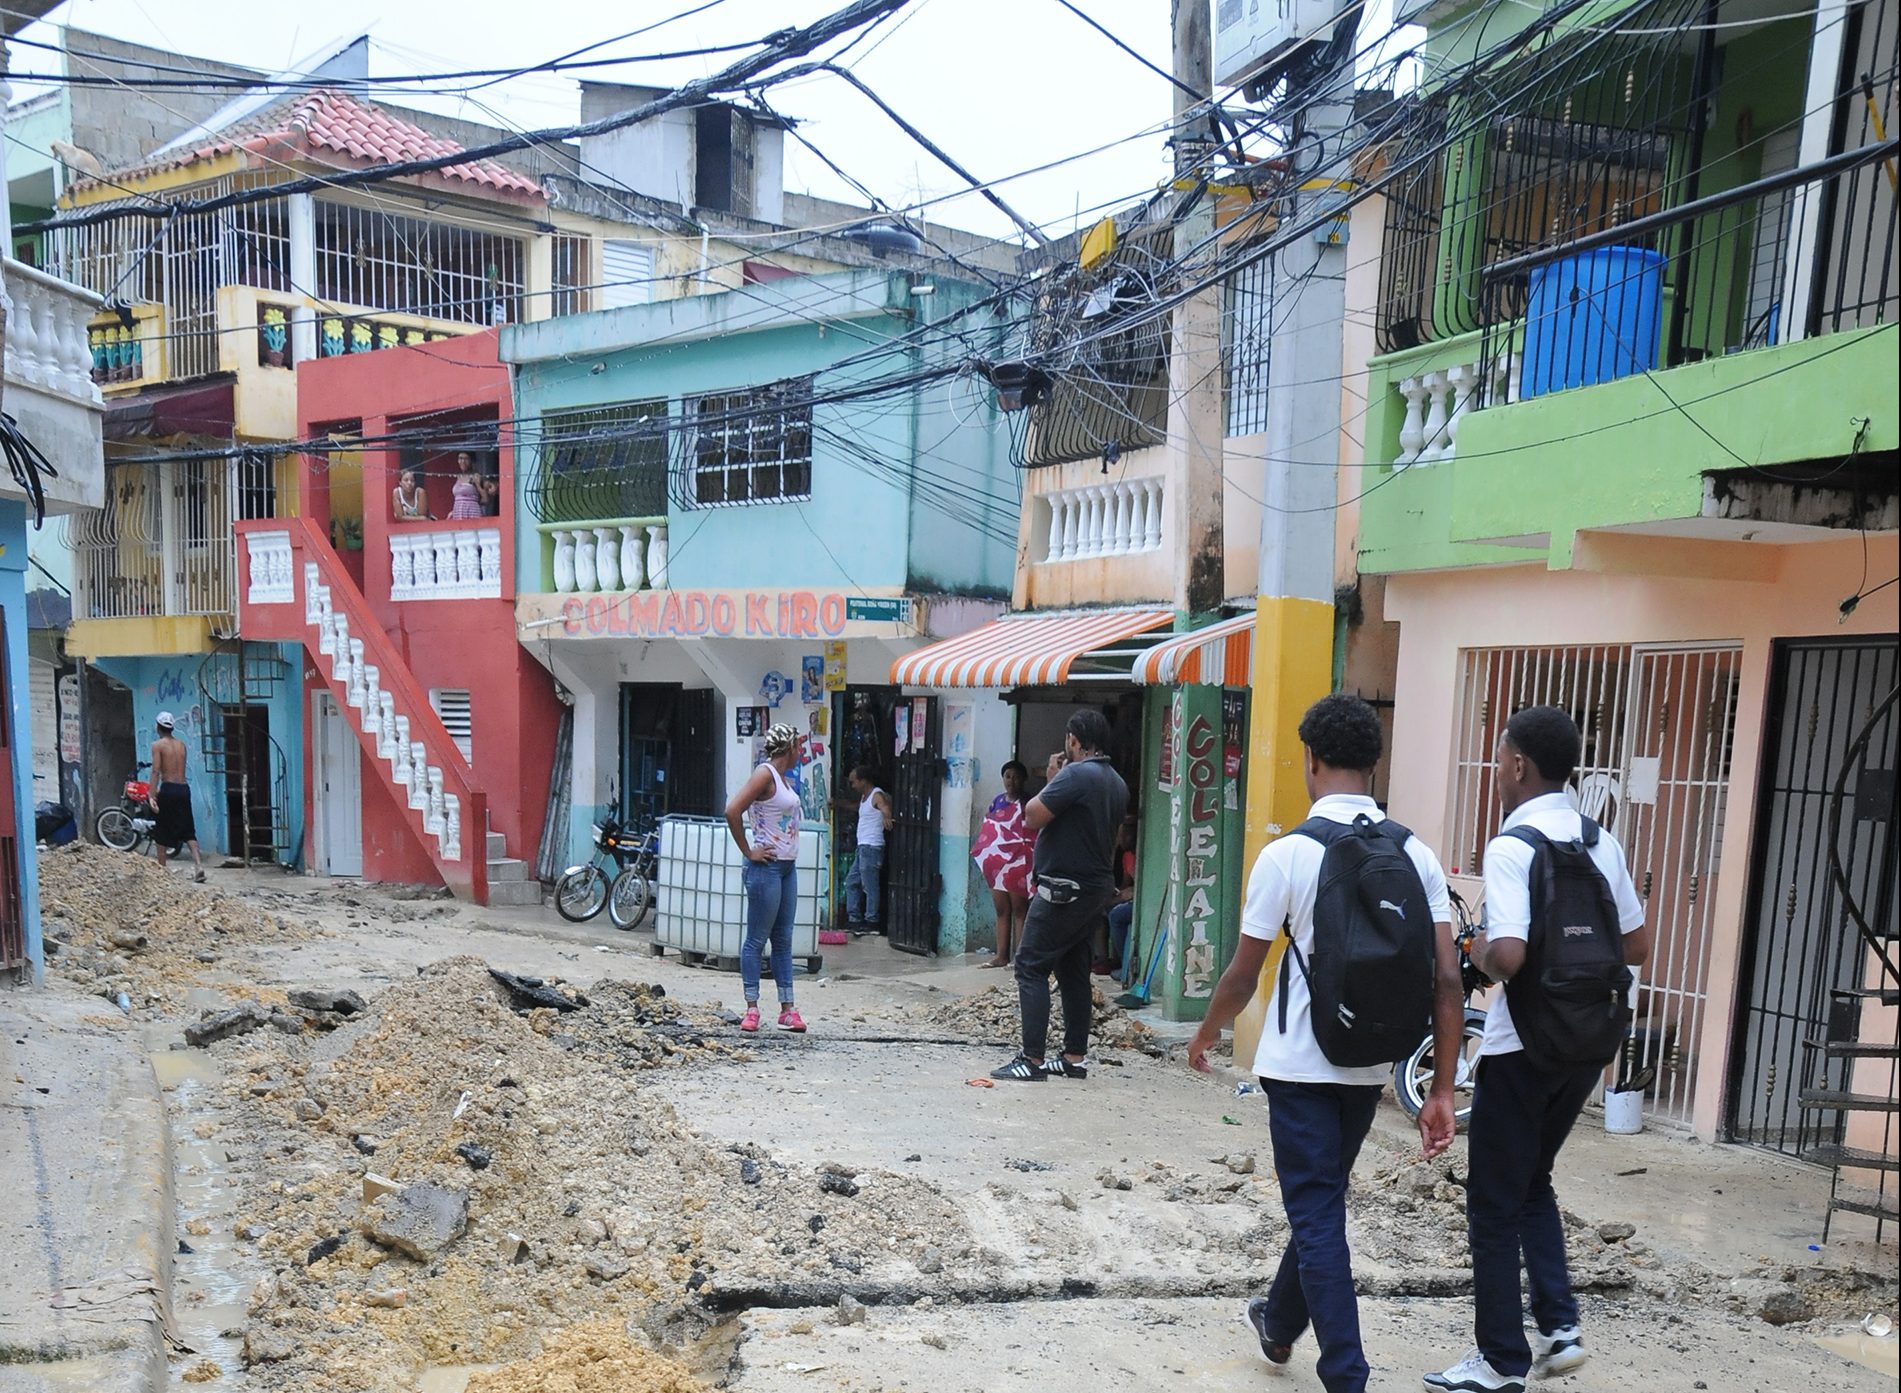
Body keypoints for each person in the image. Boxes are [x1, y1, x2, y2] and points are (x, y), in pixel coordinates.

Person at [1187, 693, 1463, 1393]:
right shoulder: (1416, 853)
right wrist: (1439, 1088)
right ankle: (1277, 1323)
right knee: (1320, 1203)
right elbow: (1448, 983)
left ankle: (1346, 1372)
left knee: (1315, 1213)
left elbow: (1242, 971)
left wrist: (1208, 1030)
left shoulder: (1287, 854)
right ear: (1375, 763)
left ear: (1310, 760)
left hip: (1297, 1062)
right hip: (1368, 1059)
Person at [1424, 706, 1648, 1393]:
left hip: (1523, 1044)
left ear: (1517, 763)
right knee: (1532, 1181)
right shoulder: (1597, 839)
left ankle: (1498, 1359)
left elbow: (1511, 954)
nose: (1495, 774)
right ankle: (1558, 1325)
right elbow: (1637, 945)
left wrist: (1481, 950)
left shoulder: (1513, 842)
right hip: (1588, 1042)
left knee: (1493, 1200)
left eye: (1498, 760)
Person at [991, 711, 1127, 1083]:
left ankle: (1031, 1059)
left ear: (1074, 740)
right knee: (1072, 971)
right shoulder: (1115, 781)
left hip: (1064, 889)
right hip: (1095, 890)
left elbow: (1032, 817)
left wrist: (1052, 779)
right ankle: (1073, 1056)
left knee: (1030, 964)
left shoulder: (1075, 775)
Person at [724, 723, 808, 1035]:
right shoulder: (765, 775)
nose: (800, 751)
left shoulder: (783, 780)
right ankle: (752, 1008)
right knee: (757, 939)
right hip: (766, 868)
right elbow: (733, 810)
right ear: (789, 748)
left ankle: (787, 1009)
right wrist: (749, 851)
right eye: (798, 746)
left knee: (783, 939)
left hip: (787, 867)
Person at [972, 760, 1034, 968]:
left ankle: (1020, 956)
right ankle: (1001, 955)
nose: (1011, 781)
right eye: (1008, 776)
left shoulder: (1029, 804)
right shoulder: (997, 802)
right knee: (1001, 908)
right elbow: (989, 832)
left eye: (1016, 776)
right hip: (997, 861)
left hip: (1018, 861)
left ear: (1023, 779)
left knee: (1019, 909)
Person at [148, 712, 206, 883]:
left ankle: (162, 871)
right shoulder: (181, 745)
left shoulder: (158, 745)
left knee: (162, 829)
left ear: (158, 727)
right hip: (183, 789)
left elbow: (156, 771)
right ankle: (198, 866)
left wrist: (152, 795)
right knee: (188, 829)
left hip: (169, 788)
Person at [841, 764, 892, 934]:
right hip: (863, 847)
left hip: (871, 847)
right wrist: (839, 804)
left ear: (863, 781)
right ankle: (854, 920)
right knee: (851, 882)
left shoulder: (876, 795)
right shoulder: (865, 798)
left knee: (869, 886)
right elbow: (856, 808)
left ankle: (872, 922)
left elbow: (885, 806)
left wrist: (887, 817)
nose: (852, 785)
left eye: (853, 782)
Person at [1104, 816, 1138, 980]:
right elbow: (1126, 885)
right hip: (1130, 897)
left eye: (1124, 834)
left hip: (1142, 902)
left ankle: (1127, 967)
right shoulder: (1126, 856)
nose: (1120, 839)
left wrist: (1131, 892)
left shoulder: (1142, 853)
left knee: (1117, 915)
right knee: (1105, 907)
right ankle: (1109, 960)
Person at [446, 453, 484, 520]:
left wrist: (477, 485)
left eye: (466, 459)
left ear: (471, 461)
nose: (463, 461)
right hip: (458, 511)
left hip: (472, 511)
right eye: (460, 458)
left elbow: (485, 498)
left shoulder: (476, 476)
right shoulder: (458, 476)